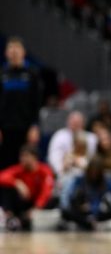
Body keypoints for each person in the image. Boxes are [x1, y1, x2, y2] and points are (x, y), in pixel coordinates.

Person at [0, 37, 43, 170]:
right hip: (4, 129)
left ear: (23, 52)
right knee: (5, 165)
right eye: (11, 48)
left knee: (25, 165)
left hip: (26, 128)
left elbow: (37, 102)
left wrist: (35, 126)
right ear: (6, 53)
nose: (14, 51)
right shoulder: (2, 73)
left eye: (17, 48)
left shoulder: (32, 73)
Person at [0, 144, 55, 231]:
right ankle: (9, 216)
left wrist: (36, 208)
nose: (22, 159)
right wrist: (17, 183)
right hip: (24, 202)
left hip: (37, 204)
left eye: (26, 156)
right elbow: (2, 176)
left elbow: (46, 192)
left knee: (52, 198)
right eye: (21, 156)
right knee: (6, 188)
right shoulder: (20, 169)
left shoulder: (45, 171)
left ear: (35, 157)